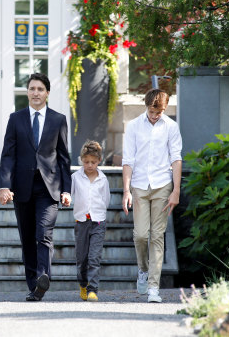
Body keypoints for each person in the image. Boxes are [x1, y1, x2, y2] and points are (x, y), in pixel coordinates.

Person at [0, 73, 72, 301]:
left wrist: (66, 189)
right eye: (32, 88)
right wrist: (4, 185)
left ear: (47, 93)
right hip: (22, 187)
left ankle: (43, 276)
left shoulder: (58, 119)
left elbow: (63, 158)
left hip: (49, 187)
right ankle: (35, 287)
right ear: (27, 92)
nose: (36, 93)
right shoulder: (16, 118)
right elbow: (8, 155)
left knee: (43, 235)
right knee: (28, 238)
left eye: (40, 89)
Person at [121, 89, 182, 303]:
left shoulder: (171, 127)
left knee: (157, 236)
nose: (156, 115)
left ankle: (154, 288)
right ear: (146, 106)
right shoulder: (134, 126)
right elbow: (127, 160)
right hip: (139, 185)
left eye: (160, 111)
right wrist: (126, 190)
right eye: (153, 111)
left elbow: (176, 158)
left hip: (162, 185)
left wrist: (176, 190)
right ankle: (143, 269)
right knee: (140, 235)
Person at [71, 140, 110, 302]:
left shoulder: (103, 179)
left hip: (98, 222)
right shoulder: (75, 177)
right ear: (81, 160)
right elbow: (72, 196)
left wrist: (98, 213)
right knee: (82, 258)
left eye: (93, 162)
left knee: (94, 257)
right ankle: (83, 284)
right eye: (86, 162)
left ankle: (93, 289)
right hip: (81, 221)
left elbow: (106, 199)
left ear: (99, 161)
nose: (89, 165)